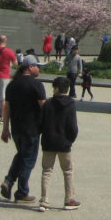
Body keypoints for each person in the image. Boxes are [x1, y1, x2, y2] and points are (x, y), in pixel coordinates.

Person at [1, 58, 46, 203]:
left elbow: (6, 107)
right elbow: (43, 106)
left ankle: (8, 181)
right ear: (30, 67)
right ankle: (21, 193)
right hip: (31, 129)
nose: (39, 69)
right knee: (28, 160)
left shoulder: (12, 85)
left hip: (16, 130)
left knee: (21, 155)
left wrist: (5, 128)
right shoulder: (36, 84)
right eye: (37, 66)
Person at [39, 76, 80, 210]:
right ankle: (69, 200)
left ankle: (44, 201)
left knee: (47, 171)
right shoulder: (71, 104)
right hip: (64, 143)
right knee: (67, 171)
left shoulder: (48, 103)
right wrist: (70, 140)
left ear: (56, 88)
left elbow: (40, 123)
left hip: (48, 142)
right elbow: (73, 127)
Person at [0, 35, 18, 109]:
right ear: (5, 41)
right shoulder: (9, 51)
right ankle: (2, 115)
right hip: (4, 75)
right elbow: (16, 64)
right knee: (3, 95)